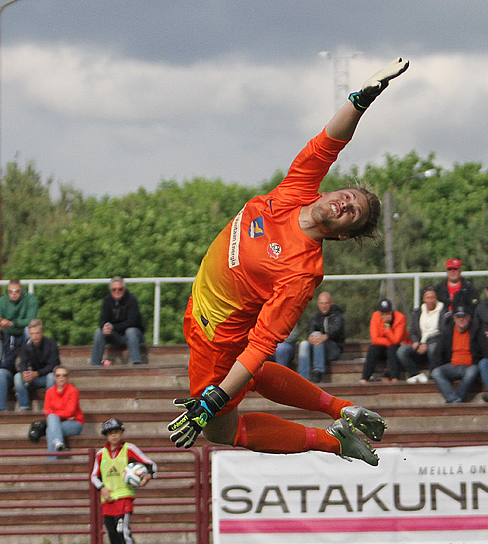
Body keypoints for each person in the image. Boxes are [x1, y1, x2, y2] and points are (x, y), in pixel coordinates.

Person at [167, 58, 410, 466]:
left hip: (220, 345)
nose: (347, 202)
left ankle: (334, 442)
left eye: (354, 212)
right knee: (254, 378)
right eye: (349, 195)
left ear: (343, 233)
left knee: (222, 432)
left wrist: (217, 397)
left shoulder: (302, 272)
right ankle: (341, 409)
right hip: (201, 314)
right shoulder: (295, 190)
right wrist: (361, 100)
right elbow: (328, 143)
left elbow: (261, 345)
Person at [91, 417, 157, 544]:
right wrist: (102, 488)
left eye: (116, 432)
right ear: (106, 436)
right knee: (112, 533)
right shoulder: (101, 454)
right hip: (107, 500)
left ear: (121, 433)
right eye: (110, 433)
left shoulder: (129, 449)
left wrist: (147, 476)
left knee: (123, 531)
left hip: (124, 497)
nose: (114, 436)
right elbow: (94, 476)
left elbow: (151, 465)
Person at [430, 305, 488, 404]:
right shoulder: (448, 332)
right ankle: (455, 400)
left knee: (472, 372)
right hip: (452, 365)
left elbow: (486, 351)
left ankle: (455, 399)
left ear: (469, 317)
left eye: (464, 316)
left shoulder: (477, 331)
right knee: (436, 372)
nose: (461, 319)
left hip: (470, 366)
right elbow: (439, 352)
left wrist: (477, 363)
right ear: (454, 318)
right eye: (458, 317)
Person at [91, 276, 145, 366]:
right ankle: (94, 365)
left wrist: (114, 327)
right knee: (98, 332)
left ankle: (136, 364)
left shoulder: (132, 300)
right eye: (114, 289)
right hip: (115, 335)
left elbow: (133, 322)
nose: (117, 291)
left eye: (120, 289)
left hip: (133, 336)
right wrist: (105, 327)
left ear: (124, 289)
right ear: (110, 290)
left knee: (130, 331)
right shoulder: (107, 300)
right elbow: (102, 320)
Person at [397, 286, 445, 384]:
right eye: (428, 298)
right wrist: (415, 342)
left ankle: (433, 375)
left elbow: (443, 332)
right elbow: (413, 331)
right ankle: (415, 374)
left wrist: (426, 343)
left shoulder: (443, 312)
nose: (430, 300)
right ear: (424, 299)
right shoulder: (418, 312)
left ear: (436, 298)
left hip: (435, 343)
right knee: (401, 351)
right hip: (419, 344)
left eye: (432, 297)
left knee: (433, 348)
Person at [297, 291, 346, 383]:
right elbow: (310, 331)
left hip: (333, 348)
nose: (324, 306)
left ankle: (318, 372)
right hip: (317, 348)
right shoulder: (316, 317)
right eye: (321, 303)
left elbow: (336, 331)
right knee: (304, 344)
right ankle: (303, 378)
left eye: (326, 303)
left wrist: (325, 336)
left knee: (317, 336)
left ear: (331, 303)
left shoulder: (338, 316)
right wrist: (310, 337)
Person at [14, 319, 60, 411]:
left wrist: (37, 373)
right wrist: (24, 372)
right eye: (32, 334)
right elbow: (23, 363)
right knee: (17, 377)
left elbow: (53, 364)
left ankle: (49, 406)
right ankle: (24, 406)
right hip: (32, 378)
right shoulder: (26, 345)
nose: (35, 336)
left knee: (52, 377)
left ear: (42, 333)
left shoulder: (51, 343)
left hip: (45, 376)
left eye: (37, 333)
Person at [360, 299, 408, 383]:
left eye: (388, 313)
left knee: (392, 349)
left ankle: (394, 378)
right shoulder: (375, 316)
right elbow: (375, 338)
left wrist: (387, 327)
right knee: (373, 349)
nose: (385, 315)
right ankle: (365, 378)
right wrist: (389, 341)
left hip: (396, 347)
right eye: (383, 313)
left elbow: (396, 340)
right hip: (383, 345)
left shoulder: (400, 318)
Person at [44, 366, 84, 454]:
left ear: (67, 377)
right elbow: (46, 410)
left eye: (64, 375)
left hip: (75, 423)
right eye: (58, 376)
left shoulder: (73, 391)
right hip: (57, 422)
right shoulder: (49, 392)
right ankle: (58, 443)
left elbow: (70, 412)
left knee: (50, 427)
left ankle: (52, 461)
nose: (61, 378)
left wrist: (54, 412)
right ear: (54, 378)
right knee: (51, 421)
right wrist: (59, 414)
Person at [0, 279, 39, 346]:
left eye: (16, 291)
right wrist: (2, 321)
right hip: (7, 331)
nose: (13, 294)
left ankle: (31, 350)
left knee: (31, 328)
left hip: (23, 330)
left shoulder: (31, 299)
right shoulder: (2, 301)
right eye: (10, 291)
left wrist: (13, 323)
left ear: (21, 290)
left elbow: (31, 320)